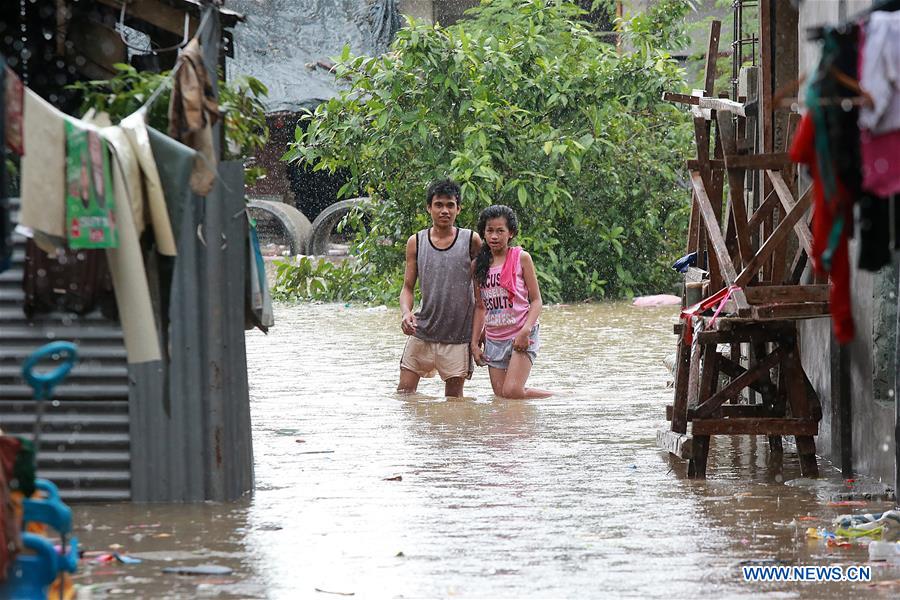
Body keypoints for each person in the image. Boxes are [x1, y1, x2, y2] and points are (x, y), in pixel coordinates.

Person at [398, 179, 482, 397]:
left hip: (458, 335)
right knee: (404, 393)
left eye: (450, 205)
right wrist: (406, 313)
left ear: (458, 209)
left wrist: (480, 332)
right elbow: (407, 287)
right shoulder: (416, 242)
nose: (445, 210)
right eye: (439, 205)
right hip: (423, 329)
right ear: (429, 208)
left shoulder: (471, 240)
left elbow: (482, 291)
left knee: (454, 402)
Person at [471, 205, 552, 399]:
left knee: (512, 391)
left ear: (511, 233)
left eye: (500, 231)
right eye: (490, 231)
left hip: (522, 333)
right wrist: (475, 342)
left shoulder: (521, 258)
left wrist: (525, 331)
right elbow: (481, 306)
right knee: (501, 397)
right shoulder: (478, 266)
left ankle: (559, 397)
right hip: (494, 339)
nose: (494, 236)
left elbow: (536, 301)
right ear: (483, 232)